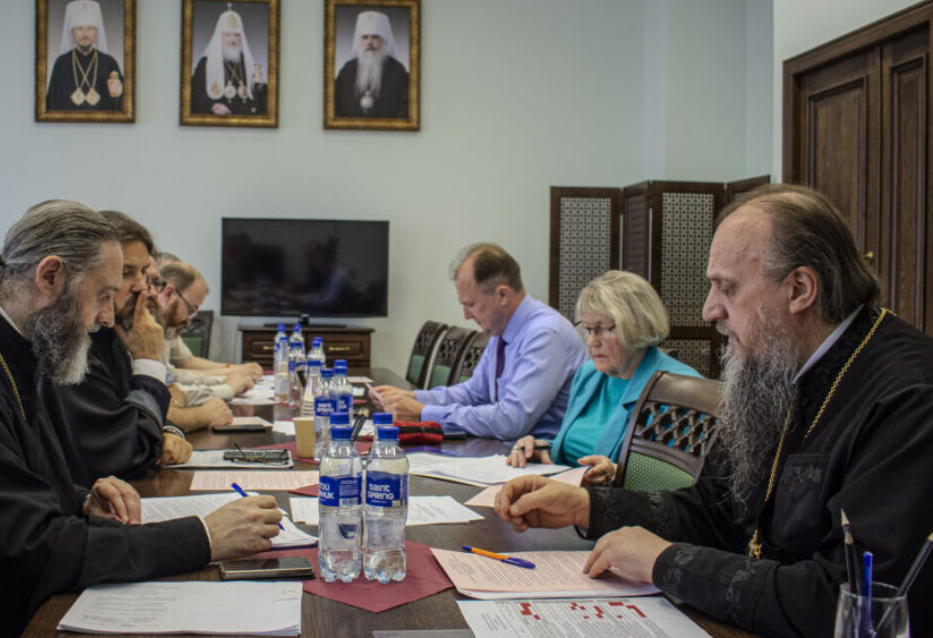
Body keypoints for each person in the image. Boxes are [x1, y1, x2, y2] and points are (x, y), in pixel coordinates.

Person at [495, 185, 933, 638]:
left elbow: (850, 600)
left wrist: (666, 562)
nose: (709, 310)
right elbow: (716, 511)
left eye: (728, 288)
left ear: (800, 289)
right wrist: (588, 506)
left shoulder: (909, 399)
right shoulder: (779, 368)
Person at [0, 201, 281, 638]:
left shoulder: (4, 346)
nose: (107, 316)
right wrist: (202, 536)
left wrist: (82, 500)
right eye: (103, 294)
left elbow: (12, 486)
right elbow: (28, 550)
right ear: (50, 276)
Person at [37, 211, 192, 488]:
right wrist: (148, 361)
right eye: (125, 273)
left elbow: (131, 418)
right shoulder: (71, 345)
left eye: (143, 272)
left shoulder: (109, 335)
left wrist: (169, 431)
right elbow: (123, 455)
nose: (142, 287)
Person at [507, 270, 700, 486]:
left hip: (620, 505)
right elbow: (578, 451)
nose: (592, 341)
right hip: (570, 494)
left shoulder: (679, 390)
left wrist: (616, 474)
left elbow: (682, 482)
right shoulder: (588, 374)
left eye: (602, 329)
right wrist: (542, 448)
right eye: (587, 329)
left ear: (638, 325)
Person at [377, 243, 587, 440]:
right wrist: (413, 398)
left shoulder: (545, 335)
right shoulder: (501, 330)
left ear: (502, 295)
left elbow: (511, 421)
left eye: (471, 304)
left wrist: (424, 412)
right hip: (509, 450)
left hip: (544, 456)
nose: (466, 315)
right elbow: (473, 393)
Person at [149, 259, 253, 429]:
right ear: (168, 293)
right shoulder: (144, 329)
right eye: (190, 310)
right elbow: (164, 396)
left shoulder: (165, 326)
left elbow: (171, 377)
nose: (189, 321)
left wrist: (225, 378)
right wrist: (226, 387)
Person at [45, 0, 124, 111]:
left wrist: (119, 95)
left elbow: (121, 106)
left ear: (96, 32)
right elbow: (51, 104)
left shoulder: (109, 63)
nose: (85, 34)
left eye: (90, 28)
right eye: (79, 29)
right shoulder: (61, 63)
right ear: (72, 32)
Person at [190, 4, 266, 116]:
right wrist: (212, 106)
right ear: (220, 37)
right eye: (227, 35)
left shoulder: (247, 63)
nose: (232, 39)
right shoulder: (206, 63)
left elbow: (259, 101)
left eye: (236, 35)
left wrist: (260, 87)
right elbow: (193, 95)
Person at [333, 10, 409, 118]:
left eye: (375, 37)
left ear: (384, 41)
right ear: (359, 41)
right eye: (365, 37)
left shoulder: (398, 71)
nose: (369, 42)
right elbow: (333, 103)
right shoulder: (348, 69)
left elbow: (406, 108)